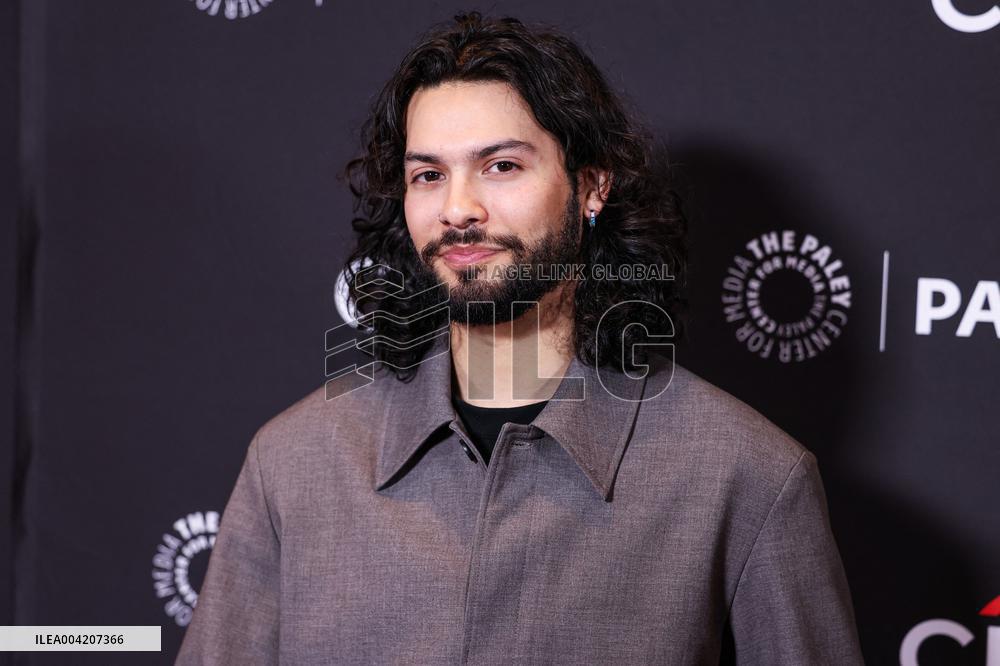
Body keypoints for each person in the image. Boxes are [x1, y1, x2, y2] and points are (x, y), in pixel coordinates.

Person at [176, 11, 864, 665]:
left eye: (501, 166)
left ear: (592, 186)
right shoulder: (293, 466)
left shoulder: (746, 477)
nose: (458, 209)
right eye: (428, 175)